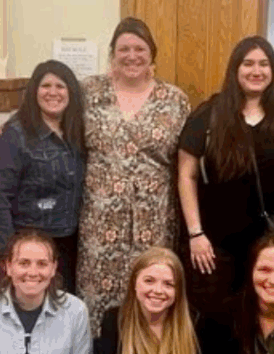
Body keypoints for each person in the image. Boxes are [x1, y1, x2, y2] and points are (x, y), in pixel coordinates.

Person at [77, 18, 190, 333]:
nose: (131, 56)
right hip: (100, 222)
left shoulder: (174, 100)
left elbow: (189, 160)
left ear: (151, 54)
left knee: (152, 292)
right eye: (123, 49)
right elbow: (50, 115)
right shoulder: (88, 92)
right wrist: (12, 124)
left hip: (153, 221)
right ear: (113, 53)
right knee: (99, 301)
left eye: (139, 48)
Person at [178, 36, 274, 316]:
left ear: (273, 71)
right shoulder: (208, 114)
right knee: (217, 318)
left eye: (264, 64)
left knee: (269, 314)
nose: (256, 71)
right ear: (235, 69)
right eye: (248, 64)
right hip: (217, 243)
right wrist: (195, 233)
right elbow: (187, 176)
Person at [0, 60, 86, 294]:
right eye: (45, 86)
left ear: (71, 92)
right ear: (34, 92)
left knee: (57, 317)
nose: (53, 92)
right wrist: (8, 255)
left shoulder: (79, 133)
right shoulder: (15, 136)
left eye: (61, 86)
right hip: (22, 245)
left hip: (64, 245)